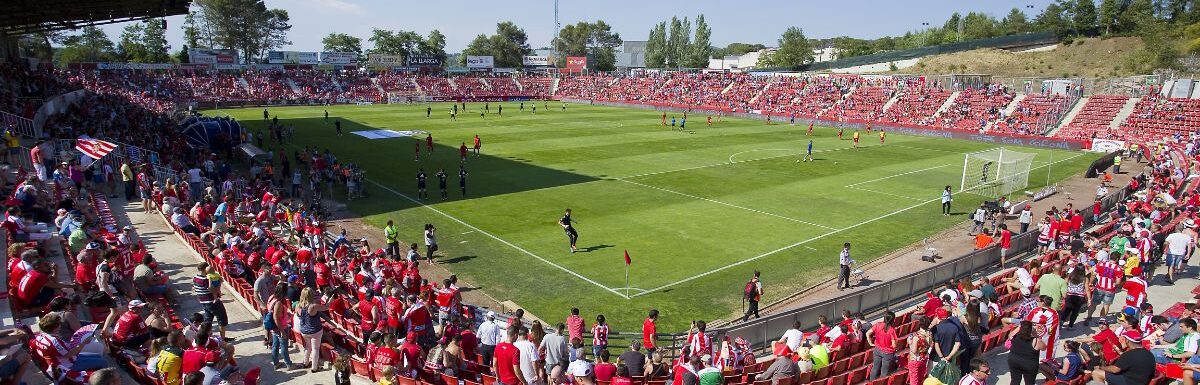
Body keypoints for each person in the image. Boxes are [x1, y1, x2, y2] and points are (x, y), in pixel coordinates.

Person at [1090, 329, 1155, 385]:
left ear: (1127, 341)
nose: (1120, 341)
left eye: (1122, 339)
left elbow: (1115, 370)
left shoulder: (1129, 354)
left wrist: (1101, 367)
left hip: (1131, 382)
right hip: (1143, 381)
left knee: (1096, 373)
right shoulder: (1149, 353)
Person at [1007, 321, 1045, 385]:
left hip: (1014, 361)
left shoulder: (1015, 336)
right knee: (1029, 383)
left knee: (1015, 381)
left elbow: (1010, 335)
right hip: (1029, 364)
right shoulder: (1036, 341)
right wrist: (1036, 334)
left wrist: (1019, 326)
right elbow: (1044, 348)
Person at [866, 311, 898, 380]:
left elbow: (867, 333)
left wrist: (870, 343)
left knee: (875, 368)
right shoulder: (892, 330)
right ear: (892, 320)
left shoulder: (878, 325)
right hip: (888, 353)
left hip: (877, 350)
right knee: (884, 372)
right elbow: (894, 345)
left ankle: (871, 382)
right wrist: (895, 348)